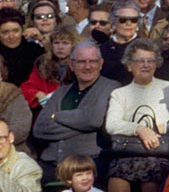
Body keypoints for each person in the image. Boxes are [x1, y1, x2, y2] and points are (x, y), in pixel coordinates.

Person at [105, 39, 169, 192]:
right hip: (128, 151)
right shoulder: (120, 93)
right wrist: (139, 129)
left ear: (156, 63)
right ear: (129, 65)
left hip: (158, 151)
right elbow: (111, 124)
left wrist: (165, 125)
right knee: (117, 173)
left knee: (151, 171)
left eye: (150, 60)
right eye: (139, 61)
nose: (145, 65)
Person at [32, 41, 119, 183]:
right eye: (81, 62)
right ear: (72, 65)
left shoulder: (110, 87)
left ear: (101, 63)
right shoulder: (61, 91)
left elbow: (93, 119)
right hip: (50, 164)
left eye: (93, 61)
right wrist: (81, 124)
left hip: (86, 164)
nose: (88, 66)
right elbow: (40, 128)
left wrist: (57, 116)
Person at [20, 25, 77, 110]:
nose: (60, 47)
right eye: (56, 43)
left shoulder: (81, 64)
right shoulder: (43, 63)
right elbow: (27, 87)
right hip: (47, 112)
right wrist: (39, 94)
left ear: (73, 45)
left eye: (65, 43)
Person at [100, 0, 141, 84]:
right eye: (123, 20)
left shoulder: (146, 47)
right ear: (113, 22)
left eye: (133, 20)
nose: (129, 23)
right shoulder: (102, 49)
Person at [0, 8, 43, 87]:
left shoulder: (34, 49)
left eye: (15, 31)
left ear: (22, 30)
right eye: (5, 32)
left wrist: (42, 40)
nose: (11, 36)